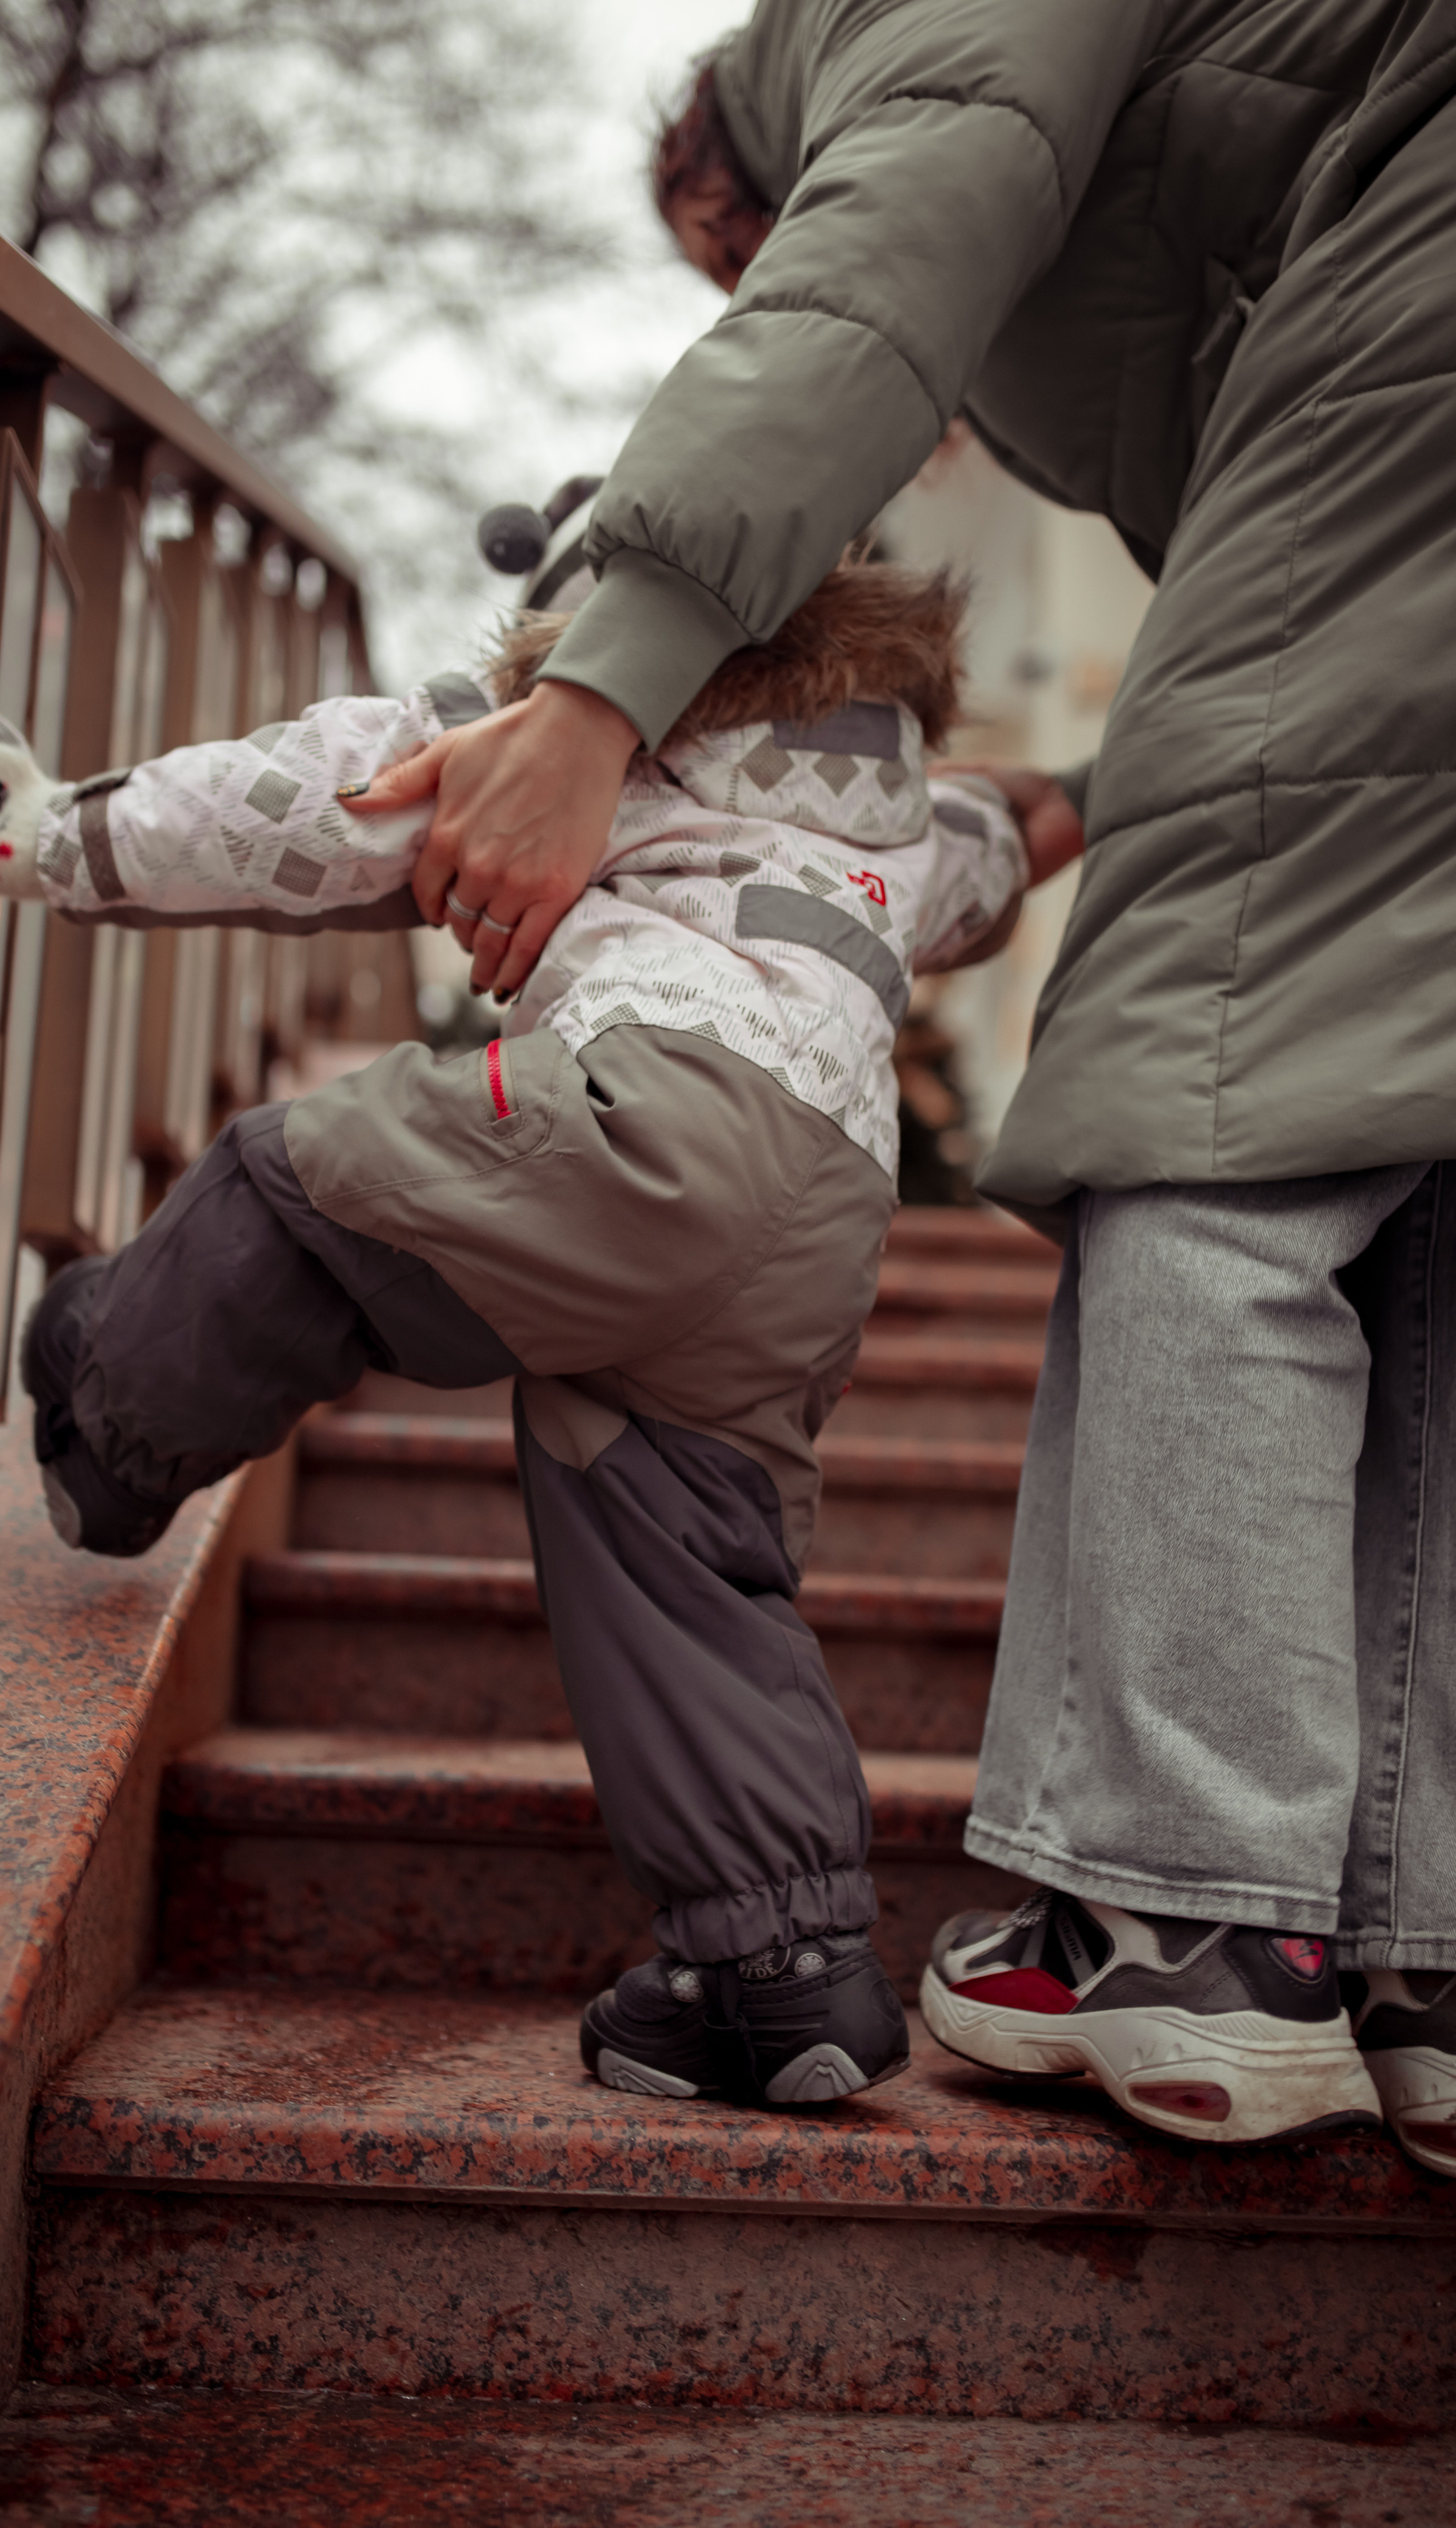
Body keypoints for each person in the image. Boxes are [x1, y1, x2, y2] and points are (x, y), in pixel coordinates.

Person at [354, 0, 1456, 2172]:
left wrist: (599, 694)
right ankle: (1413, 1936)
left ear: (740, 188)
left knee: (1210, 1104)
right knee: (1403, 1141)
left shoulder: (896, 34)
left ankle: (1202, 1921)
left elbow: (899, 248)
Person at [0, 544, 1064, 2111]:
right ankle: (778, 1976)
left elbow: (296, 810)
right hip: (820, 1212)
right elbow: (1026, 829)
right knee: (683, 1560)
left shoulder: (572, 726)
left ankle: (109, 1422)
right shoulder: (913, 809)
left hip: (647, 1102)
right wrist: (1131, 777)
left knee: (301, 1178)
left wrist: (30, 837)